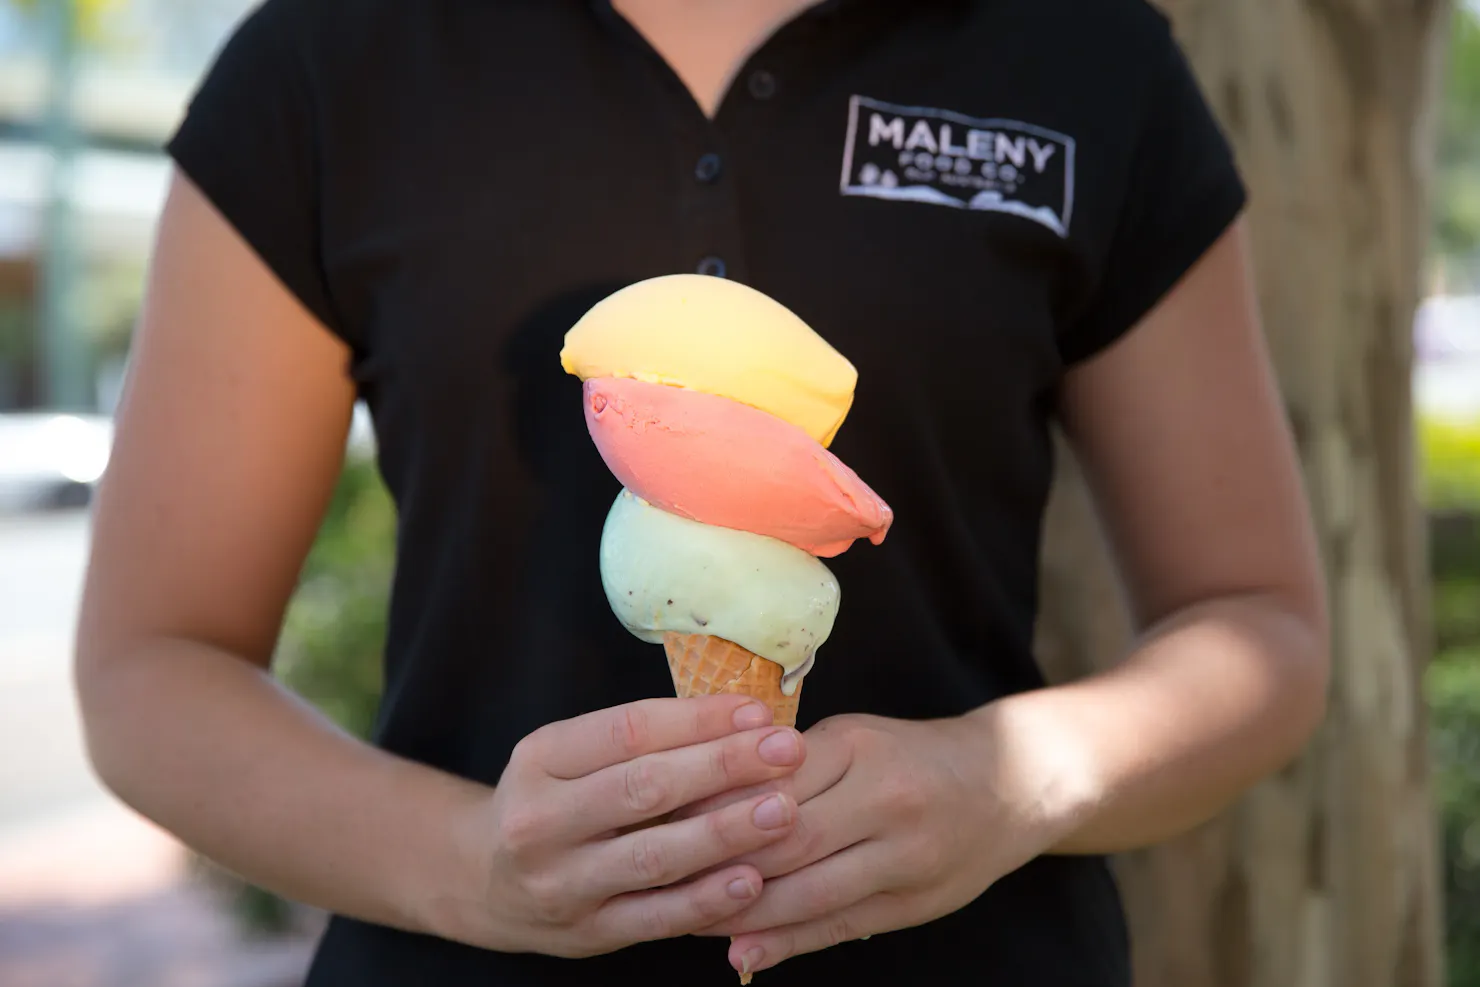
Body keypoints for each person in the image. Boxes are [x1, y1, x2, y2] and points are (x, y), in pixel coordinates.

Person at [73, 0, 1331, 983]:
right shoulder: (330, 59)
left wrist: (1013, 775)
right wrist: (468, 865)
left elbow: (1258, 622)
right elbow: (152, 665)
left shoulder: (1083, 55)